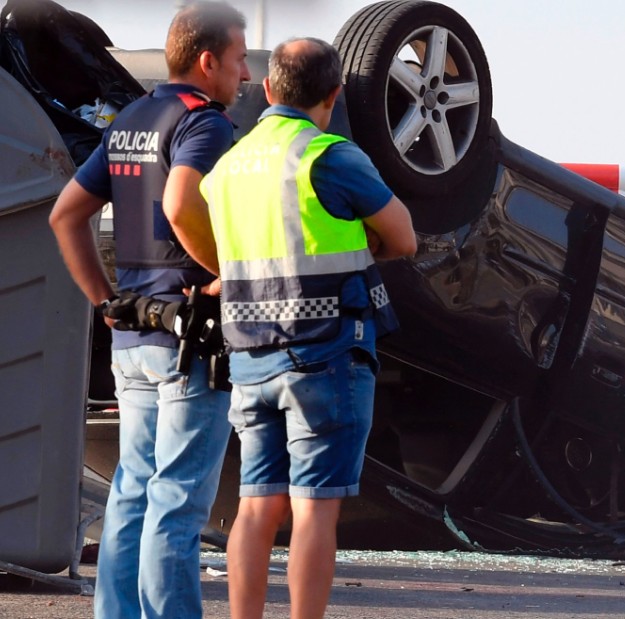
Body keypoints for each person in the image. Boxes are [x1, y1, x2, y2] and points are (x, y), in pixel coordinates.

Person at [200, 37, 417, 619]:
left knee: (255, 507)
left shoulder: (226, 168)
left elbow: (207, 234)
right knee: (314, 507)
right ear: (335, 95)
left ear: (267, 90)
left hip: (249, 356)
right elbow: (404, 237)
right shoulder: (330, 155)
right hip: (324, 356)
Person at [48, 3, 250, 617]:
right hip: (188, 339)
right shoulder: (203, 125)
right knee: (180, 500)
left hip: (133, 334)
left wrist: (103, 300)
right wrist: (228, 273)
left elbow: (66, 214)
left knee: (133, 492)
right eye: (239, 60)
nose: (244, 77)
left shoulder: (131, 119)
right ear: (207, 60)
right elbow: (183, 200)